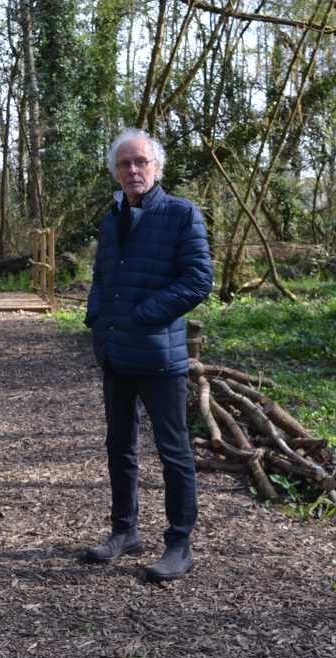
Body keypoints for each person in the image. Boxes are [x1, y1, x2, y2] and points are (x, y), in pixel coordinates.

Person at [83, 128, 213, 582]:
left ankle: (179, 544)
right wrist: (96, 321)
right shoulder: (112, 215)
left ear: (157, 168)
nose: (133, 170)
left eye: (141, 162)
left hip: (159, 353)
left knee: (172, 449)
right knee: (119, 445)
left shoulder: (181, 214)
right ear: (115, 172)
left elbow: (198, 280)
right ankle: (125, 531)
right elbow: (102, 275)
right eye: (124, 164)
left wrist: (144, 315)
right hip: (116, 351)